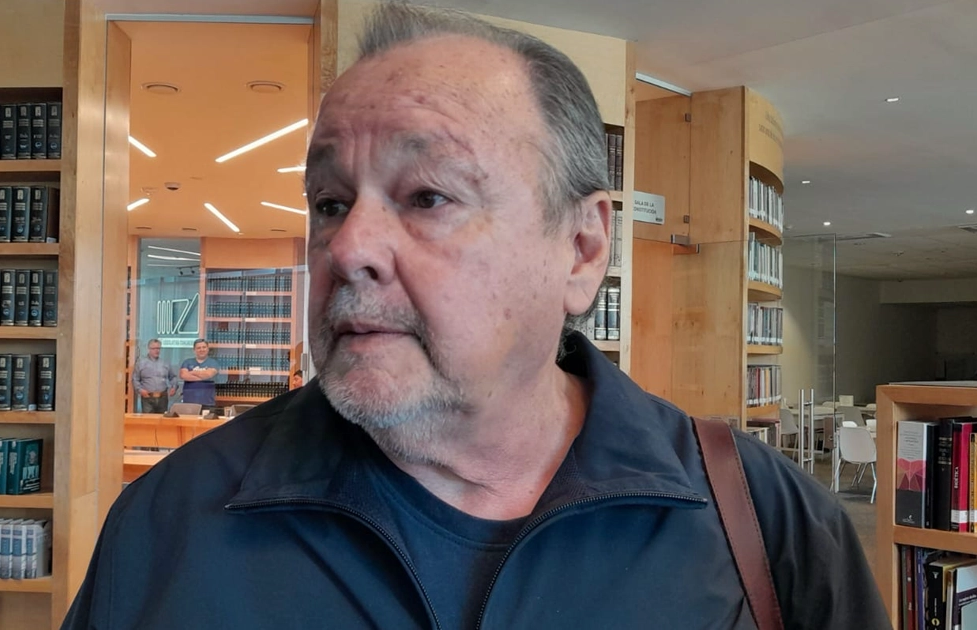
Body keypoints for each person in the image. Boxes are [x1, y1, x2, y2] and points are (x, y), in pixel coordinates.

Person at [63, 5, 888, 629]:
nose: (348, 247)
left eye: (428, 196)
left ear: (581, 248)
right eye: (329, 202)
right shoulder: (169, 528)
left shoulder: (764, 524)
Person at [129, 339, 178, 415]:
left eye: (158, 348)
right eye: (154, 348)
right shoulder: (141, 363)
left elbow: (173, 377)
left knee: (162, 420)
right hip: (147, 398)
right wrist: (140, 390)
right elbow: (135, 379)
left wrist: (174, 387)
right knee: (148, 420)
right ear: (149, 349)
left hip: (162, 398)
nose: (157, 350)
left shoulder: (165, 363)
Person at [178, 338, 218, 409]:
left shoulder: (213, 362)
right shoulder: (187, 362)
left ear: (208, 349)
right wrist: (203, 376)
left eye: (204, 347)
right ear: (194, 350)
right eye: (198, 348)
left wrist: (192, 372)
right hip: (189, 402)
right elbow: (183, 375)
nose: (201, 350)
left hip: (207, 402)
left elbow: (209, 375)